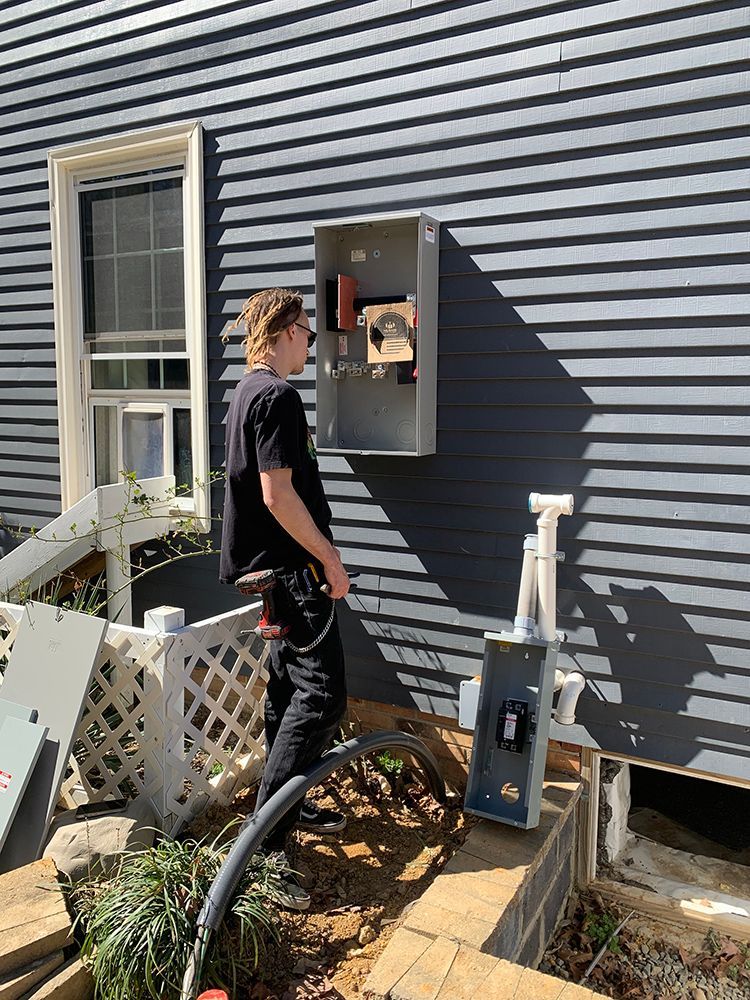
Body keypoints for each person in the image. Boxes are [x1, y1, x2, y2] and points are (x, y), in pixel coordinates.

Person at [220, 288, 350, 910]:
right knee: (323, 696)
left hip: (271, 575)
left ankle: (285, 808)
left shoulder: (245, 391)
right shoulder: (276, 396)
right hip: (294, 574)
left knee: (285, 695)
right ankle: (267, 848)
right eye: (309, 333)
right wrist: (328, 557)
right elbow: (277, 494)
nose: (311, 345)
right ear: (286, 330)